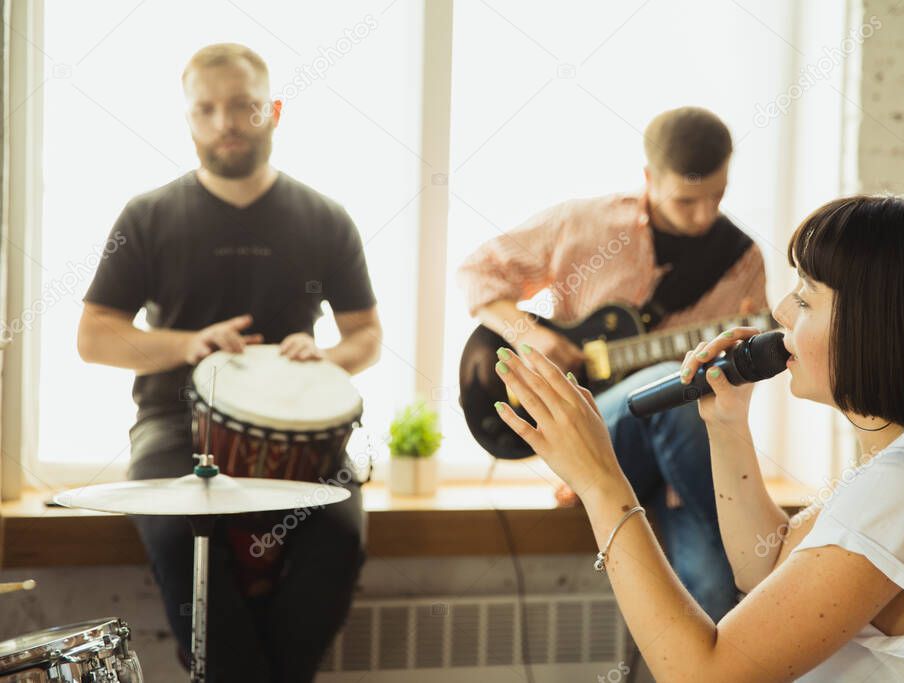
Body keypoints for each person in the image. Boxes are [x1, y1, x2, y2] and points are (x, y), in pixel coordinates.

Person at [490, 195, 904, 680]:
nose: (780, 311)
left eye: (808, 299)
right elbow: (766, 568)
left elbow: (705, 674)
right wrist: (725, 426)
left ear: (877, 328)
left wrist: (602, 485)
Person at [77, 43, 382, 682]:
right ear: (189, 119)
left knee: (339, 538)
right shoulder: (149, 215)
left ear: (271, 110)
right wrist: (186, 345)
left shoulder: (326, 218)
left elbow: (367, 337)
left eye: (242, 107)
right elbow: (95, 337)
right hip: (173, 424)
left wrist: (325, 359)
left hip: (304, 433)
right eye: (206, 109)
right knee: (180, 536)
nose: (225, 123)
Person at [458, 107, 768, 620]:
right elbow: (476, 273)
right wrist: (530, 333)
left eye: (718, 195)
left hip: (684, 457)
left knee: (714, 595)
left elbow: (745, 373)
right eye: (686, 200)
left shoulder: (743, 258)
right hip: (593, 425)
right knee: (670, 384)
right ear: (648, 179)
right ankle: (756, 549)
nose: (704, 215)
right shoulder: (583, 224)